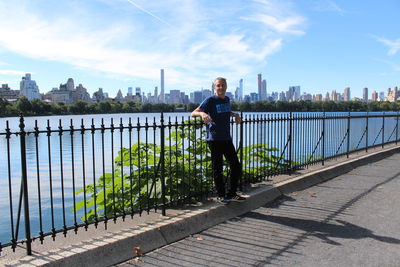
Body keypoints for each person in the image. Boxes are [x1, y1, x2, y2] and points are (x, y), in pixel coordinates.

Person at [191, 77, 246, 204]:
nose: (220, 87)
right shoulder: (210, 100)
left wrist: (235, 115)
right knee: (218, 168)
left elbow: (225, 111)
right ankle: (221, 195)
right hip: (214, 138)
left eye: (223, 85)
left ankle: (232, 194)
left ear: (226, 87)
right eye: (218, 85)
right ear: (214, 87)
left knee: (236, 166)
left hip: (226, 138)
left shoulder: (227, 99)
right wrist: (202, 114)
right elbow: (194, 112)